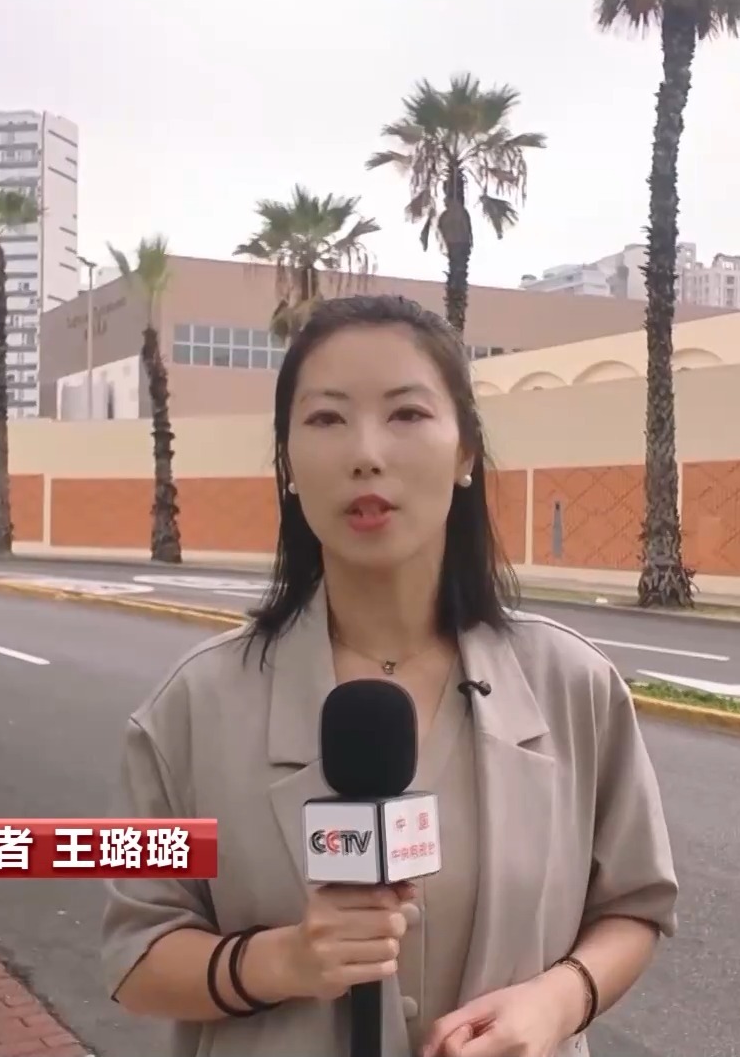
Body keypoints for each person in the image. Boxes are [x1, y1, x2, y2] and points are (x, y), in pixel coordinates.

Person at [101, 295, 678, 1057]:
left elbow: (636, 907)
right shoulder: (189, 708)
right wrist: (283, 961)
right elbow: (135, 954)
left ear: (466, 451)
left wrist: (557, 1002)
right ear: (288, 465)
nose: (366, 453)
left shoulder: (575, 688)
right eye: (326, 419)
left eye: (406, 414)